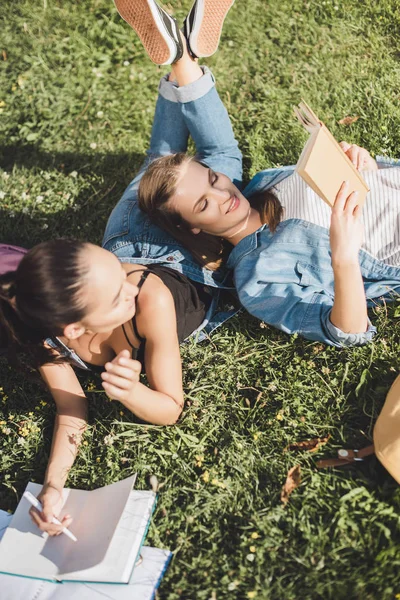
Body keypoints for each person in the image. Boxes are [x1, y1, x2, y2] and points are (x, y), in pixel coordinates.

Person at [0, 0, 237, 535]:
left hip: (144, 246)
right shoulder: (48, 336)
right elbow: (70, 409)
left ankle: (184, 61)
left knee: (213, 158)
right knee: (160, 161)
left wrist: (134, 391)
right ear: (73, 329)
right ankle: (181, 58)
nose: (129, 284)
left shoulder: (144, 293)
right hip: (139, 243)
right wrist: (55, 483)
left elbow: (171, 406)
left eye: (116, 275)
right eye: (116, 296)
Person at [131, 59, 400, 347]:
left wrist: (366, 165)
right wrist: (343, 258)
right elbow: (348, 331)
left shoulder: (264, 183)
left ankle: (181, 60)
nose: (224, 195)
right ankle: (181, 60)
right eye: (203, 205)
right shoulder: (258, 279)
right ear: (192, 227)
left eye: (212, 180)